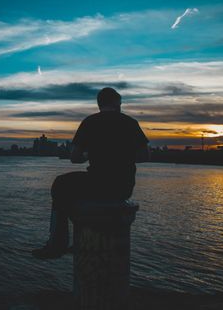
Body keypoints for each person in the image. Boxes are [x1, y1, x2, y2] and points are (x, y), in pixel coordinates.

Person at [32, 87, 149, 259]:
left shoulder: (90, 122)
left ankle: (57, 243)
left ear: (99, 104)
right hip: (124, 188)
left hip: (97, 185)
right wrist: (123, 156)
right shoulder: (131, 122)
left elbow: (74, 157)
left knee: (60, 184)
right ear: (117, 103)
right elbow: (145, 155)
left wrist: (90, 154)